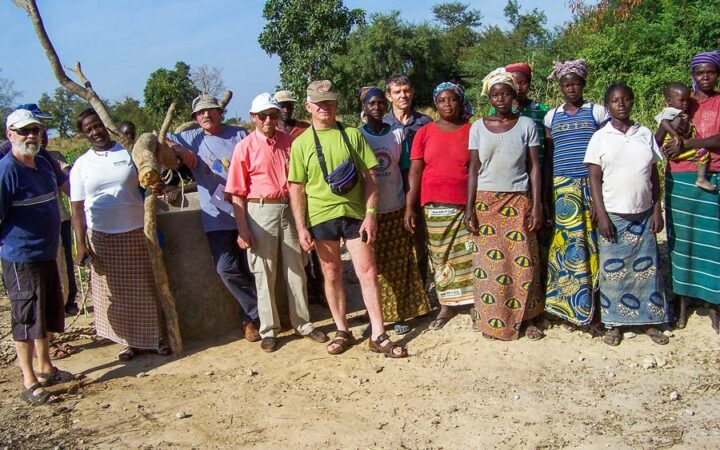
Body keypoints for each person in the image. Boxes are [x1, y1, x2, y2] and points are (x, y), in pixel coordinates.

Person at [288, 80, 407, 358]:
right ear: (308, 107)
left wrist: (370, 215)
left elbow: (370, 175)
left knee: (367, 272)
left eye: (329, 102)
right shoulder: (301, 144)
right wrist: (301, 226)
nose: (324, 108)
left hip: (354, 215)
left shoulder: (352, 135)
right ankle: (342, 330)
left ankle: (378, 333)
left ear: (336, 104)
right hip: (320, 217)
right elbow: (296, 187)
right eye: (318, 104)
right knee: (332, 274)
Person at [225, 93, 328, 353]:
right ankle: (269, 329)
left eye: (273, 114)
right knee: (264, 272)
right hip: (260, 210)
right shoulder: (244, 147)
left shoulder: (290, 142)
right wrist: (243, 228)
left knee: (297, 268)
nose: (268, 120)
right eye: (263, 116)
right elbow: (237, 192)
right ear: (253, 118)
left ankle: (303, 324)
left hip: (290, 209)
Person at [70, 108, 169, 360]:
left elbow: (150, 179)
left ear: (104, 124)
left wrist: (156, 184)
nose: (95, 132)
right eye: (88, 129)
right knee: (116, 294)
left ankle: (157, 339)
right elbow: (77, 209)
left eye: (97, 125)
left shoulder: (128, 153)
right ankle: (129, 343)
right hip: (102, 237)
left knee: (146, 289)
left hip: (137, 231)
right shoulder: (81, 165)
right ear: (84, 135)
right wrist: (80, 244)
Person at [165, 94, 260, 342]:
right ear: (195, 118)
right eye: (200, 113)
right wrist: (178, 150)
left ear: (221, 112)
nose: (206, 115)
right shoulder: (190, 138)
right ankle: (260, 309)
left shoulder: (239, 135)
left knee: (251, 268)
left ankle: (249, 321)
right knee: (226, 268)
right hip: (216, 217)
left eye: (211, 110)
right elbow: (161, 143)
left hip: (247, 212)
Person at [585, 83, 670, 346]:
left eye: (625, 99)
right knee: (614, 273)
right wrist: (602, 214)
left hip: (643, 215)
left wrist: (657, 209)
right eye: (614, 100)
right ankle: (614, 324)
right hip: (613, 214)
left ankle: (650, 321)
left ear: (632, 101)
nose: (620, 104)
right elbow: (594, 179)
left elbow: (653, 175)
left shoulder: (643, 133)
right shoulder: (600, 137)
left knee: (647, 271)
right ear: (607, 105)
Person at [464, 68, 545, 341]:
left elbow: (535, 167)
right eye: (495, 94)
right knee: (491, 265)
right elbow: (473, 170)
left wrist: (536, 205)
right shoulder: (477, 127)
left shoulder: (527, 126)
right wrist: (469, 208)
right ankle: (492, 321)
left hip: (518, 199)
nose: (501, 98)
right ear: (489, 96)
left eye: (506, 93)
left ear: (514, 95)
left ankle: (528, 318)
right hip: (486, 202)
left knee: (523, 261)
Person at [1, 109, 74, 405]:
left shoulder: (42, 163)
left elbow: (66, 190)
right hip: (22, 258)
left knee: (44, 312)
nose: (31, 136)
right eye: (23, 131)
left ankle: (46, 369)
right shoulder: (7, 171)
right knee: (27, 316)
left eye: (35, 130)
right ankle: (29, 381)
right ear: (10, 135)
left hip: (47, 251)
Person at [543, 59, 609, 332]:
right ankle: (570, 308)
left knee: (595, 243)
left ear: (583, 84)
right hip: (563, 188)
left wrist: (600, 197)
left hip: (591, 185)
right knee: (568, 246)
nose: (571, 88)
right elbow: (549, 158)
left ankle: (597, 307)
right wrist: (547, 196)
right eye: (565, 84)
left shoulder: (597, 112)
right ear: (560, 86)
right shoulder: (551, 116)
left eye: (575, 83)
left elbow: (608, 150)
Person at [358, 87, 430, 336]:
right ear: (364, 107)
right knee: (373, 268)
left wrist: (408, 206)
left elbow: (406, 170)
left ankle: (400, 313)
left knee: (400, 265)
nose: (377, 107)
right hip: (370, 213)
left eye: (380, 103)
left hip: (396, 207)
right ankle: (375, 316)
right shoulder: (358, 136)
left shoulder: (397, 133)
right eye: (371, 103)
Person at [405, 82, 474, 330]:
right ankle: (446, 304)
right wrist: (410, 206)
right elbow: (415, 171)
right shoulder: (424, 133)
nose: (448, 104)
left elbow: (477, 169)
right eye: (442, 100)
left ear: (460, 101)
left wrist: (473, 205)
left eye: (452, 99)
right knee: (440, 255)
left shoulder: (472, 130)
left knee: (466, 254)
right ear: (436, 104)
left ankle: (471, 301)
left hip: (464, 203)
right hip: (433, 205)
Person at [663, 50, 720, 332]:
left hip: (713, 174)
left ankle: (713, 305)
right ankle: (682, 303)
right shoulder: (681, 103)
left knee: (712, 243)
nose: (705, 77)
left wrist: (686, 144)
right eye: (700, 72)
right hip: (679, 177)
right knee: (681, 241)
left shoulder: (719, 102)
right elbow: (660, 137)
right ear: (692, 75)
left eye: (710, 72)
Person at [383, 74, 434, 287]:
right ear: (389, 96)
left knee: (420, 240)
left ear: (412, 92)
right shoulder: (382, 123)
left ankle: (421, 289)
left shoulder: (425, 122)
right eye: (397, 92)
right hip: (391, 190)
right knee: (395, 245)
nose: (402, 95)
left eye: (406, 91)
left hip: (421, 189)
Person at [655, 83, 716, 192]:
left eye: (687, 100)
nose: (685, 103)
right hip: (672, 147)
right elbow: (664, 122)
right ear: (670, 101)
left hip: (678, 146)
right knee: (703, 153)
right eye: (681, 100)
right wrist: (676, 135)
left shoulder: (679, 111)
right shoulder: (670, 111)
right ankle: (701, 179)